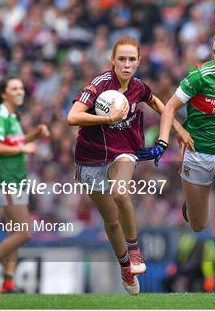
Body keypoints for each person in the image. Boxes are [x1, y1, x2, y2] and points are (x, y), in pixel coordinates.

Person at [136, 16, 215, 295]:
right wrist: (163, 142)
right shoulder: (199, 78)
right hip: (197, 154)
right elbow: (168, 108)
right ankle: (190, 210)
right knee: (198, 224)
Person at [67, 37, 191, 295]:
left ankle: (135, 253)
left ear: (138, 61)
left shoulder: (138, 87)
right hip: (90, 157)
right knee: (111, 222)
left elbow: (157, 102)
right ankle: (125, 265)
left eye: (131, 59)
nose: (126, 64)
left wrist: (177, 128)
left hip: (123, 152)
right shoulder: (100, 85)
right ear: (113, 60)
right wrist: (109, 116)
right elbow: (72, 116)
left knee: (120, 193)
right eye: (121, 59)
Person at [0, 77, 49, 294]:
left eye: (21, 88)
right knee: (24, 233)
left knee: (14, 233)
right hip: (6, 180)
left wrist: (35, 135)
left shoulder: (13, 117)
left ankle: (7, 283)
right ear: (4, 94)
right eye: (14, 89)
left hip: (16, 178)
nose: (20, 92)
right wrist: (22, 150)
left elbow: (15, 142)